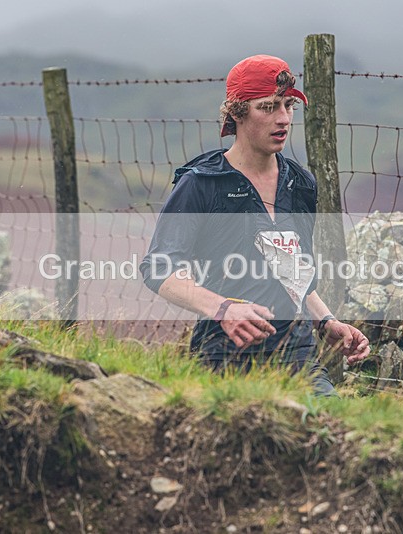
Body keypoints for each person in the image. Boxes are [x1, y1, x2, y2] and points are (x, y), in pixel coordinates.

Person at [140, 54, 369, 396]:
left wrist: (325, 321)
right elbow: (159, 268)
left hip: (296, 355)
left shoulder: (301, 183)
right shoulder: (201, 184)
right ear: (237, 113)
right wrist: (224, 309)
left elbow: (290, 269)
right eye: (268, 107)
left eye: (288, 106)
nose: (283, 118)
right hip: (223, 355)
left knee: (329, 421)